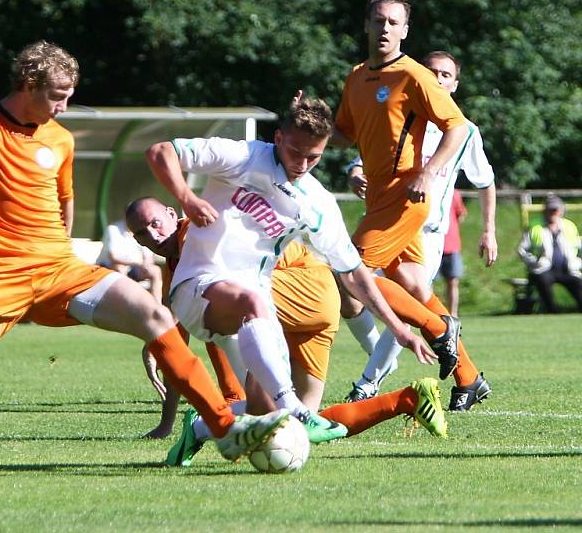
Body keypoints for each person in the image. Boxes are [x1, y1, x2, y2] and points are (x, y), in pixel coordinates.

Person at [0, 0, 288, 479]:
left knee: (153, 313)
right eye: (58, 95)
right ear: (28, 84)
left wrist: (62, 250)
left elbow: (63, 201)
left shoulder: (59, 139)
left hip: (58, 272)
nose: (64, 106)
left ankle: (224, 428)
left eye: (69, 95)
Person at [144, 94, 439, 455]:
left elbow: (354, 273)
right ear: (279, 138)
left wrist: (399, 329)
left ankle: (202, 427)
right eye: (295, 151)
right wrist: (186, 197)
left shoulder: (318, 204)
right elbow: (160, 151)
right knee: (258, 315)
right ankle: (293, 405)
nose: (301, 163)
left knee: (263, 415)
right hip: (199, 286)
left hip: (256, 305)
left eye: (313, 157)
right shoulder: (243, 156)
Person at [126, 197, 447, 466]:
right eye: (142, 233)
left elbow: (359, 280)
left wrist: (418, 326)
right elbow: (176, 346)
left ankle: (203, 424)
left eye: (155, 223)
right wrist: (165, 417)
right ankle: (407, 398)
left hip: (299, 294)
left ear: (172, 213)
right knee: (288, 414)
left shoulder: (195, 233)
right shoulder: (177, 264)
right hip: (279, 307)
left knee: (293, 415)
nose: (152, 235)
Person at [329, 0, 488, 409]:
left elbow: (456, 126)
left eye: (393, 22)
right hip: (379, 197)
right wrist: (308, 122)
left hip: (404, 197)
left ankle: (438, 329)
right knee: (415, 287)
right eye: (378, 20)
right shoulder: (357, 75)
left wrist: (428, 171)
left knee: (350, 272)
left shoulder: (414, 75)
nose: (385, 28)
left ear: (404, 30)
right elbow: (344, 132)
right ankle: (469, 379)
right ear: (366, 25)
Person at [518, 194, 582, 313]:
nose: (553, 213)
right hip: (543, 268)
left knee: (578, 283)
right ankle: (552, 310)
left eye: (555, 210)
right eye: (550, 210)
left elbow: (578, 245)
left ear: (561, 211)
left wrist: (578, 262)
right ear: (545, 211)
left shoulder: (569, 226)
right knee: (542, 281)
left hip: (567, 269)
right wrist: (534, 262)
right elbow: (522, 250)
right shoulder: (535, 226)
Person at [96, 219, 162, 303]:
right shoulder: (113, 229)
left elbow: (149, 257)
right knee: (120, 269)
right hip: (108, 268)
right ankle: (125, 305)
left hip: (135, 269)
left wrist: (146, 264)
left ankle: (156, 307)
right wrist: (138, 264)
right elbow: (113, 257)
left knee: (155, 271)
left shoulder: (144, 230)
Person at [440, 190, 467, 317]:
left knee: (453, 281)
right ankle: (431, 314)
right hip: (431, 244)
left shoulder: (454, 193)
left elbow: (461, 214)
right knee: (427, 283)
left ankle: (452, 314)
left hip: (451, 243)